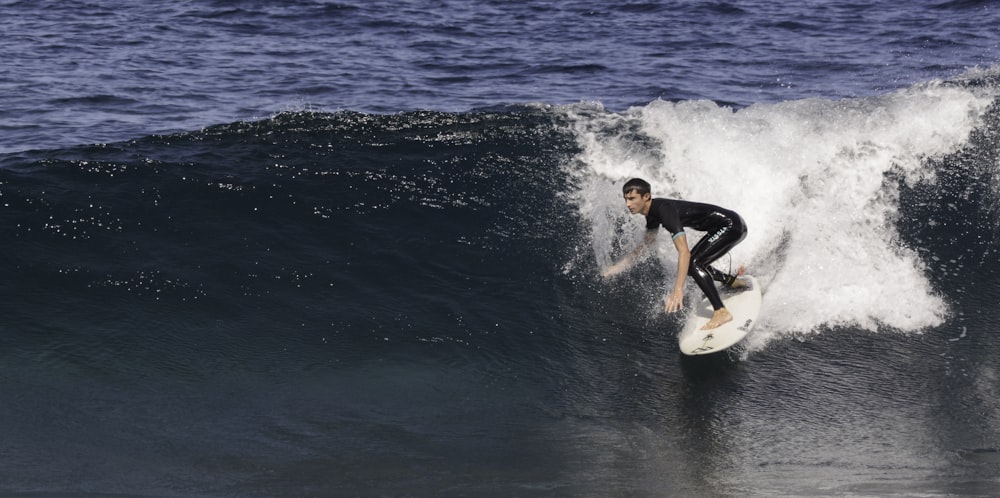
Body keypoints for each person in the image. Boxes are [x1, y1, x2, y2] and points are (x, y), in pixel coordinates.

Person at [602, 178, 747, 330]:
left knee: (693, 264)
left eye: (632, 199)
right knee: (693, 265)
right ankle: (732, 282)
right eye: (626, 199)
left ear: (646, 197)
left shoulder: (664, 211)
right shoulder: (651, 214)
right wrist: (618, 267)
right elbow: (646, 245)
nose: (628, 204)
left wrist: (678, 289)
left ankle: (721, 312)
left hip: (731, 225)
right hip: (724, 227)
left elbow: (684, 251)